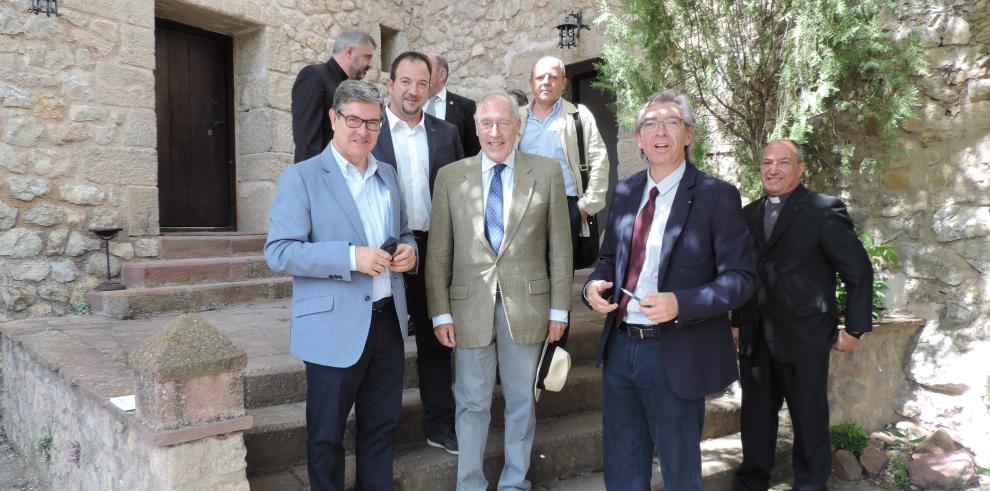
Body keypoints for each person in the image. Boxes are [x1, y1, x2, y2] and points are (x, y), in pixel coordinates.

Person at [583, 90, 758, 490]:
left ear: (689, 134)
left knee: (680, 473)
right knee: (623, 469)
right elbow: (609, 259)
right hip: (621, 347)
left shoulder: (717, 196)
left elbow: (742, 279)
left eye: (670, 122)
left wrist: (681, 302)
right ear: (638, 139)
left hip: (675, 351)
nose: (659, 131)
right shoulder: (626, 192)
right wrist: (594, 286)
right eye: (649, 124)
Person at [265, 80, 417, 491]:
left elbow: (404, 232)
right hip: (332, 328)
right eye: (353, 120)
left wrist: (408, 251)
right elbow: (279, 252)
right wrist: (351, 258)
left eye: (372, 122)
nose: (362, 131)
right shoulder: (302, 177)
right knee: (326, 436)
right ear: (334, 118)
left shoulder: (387, 174)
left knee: (382, 428)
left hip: (387, 322)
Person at [425, 90, 572, 491]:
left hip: (527, 307)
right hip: (469, 309)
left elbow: (560, 247)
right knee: (471, 402)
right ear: (475, 128)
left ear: (518, 126)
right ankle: (470, 484)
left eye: (503, 123)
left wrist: (560, 310)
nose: (494, 132)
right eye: (486, 124)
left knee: (522, 402)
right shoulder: (451, 178)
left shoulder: (546, 172)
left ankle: (514, 482)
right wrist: (440, 312)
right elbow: (438, 252)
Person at [732, 139, 874, 491]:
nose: (773, 169)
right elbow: (744, 274)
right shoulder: (747, 214)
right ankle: (751, 484)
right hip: (755, 337)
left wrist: (854, 329)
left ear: (800, 168)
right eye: (767, 162)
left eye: (783, 162)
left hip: (806, 336)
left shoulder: (824, 210)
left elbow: (858, 271)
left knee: (809, 422)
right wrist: (737, 322)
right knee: (755, 423)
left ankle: (811, 486)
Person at [371, 50, 464, 455]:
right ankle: (379, 433)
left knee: (436, 339)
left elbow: (462, 194)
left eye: (421, 83)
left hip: (435, 247)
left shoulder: (447, 133)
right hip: (383, 249)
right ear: (389, 85)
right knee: (384, 344)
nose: (413, 90)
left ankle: (440, 425)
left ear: (433, 86)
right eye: (405, 82)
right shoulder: (370, 130)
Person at [518, 56, 609, 267]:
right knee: (527, 270)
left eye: (553, 77)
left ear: (564, 83)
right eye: (540, 77)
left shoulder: (579, 116)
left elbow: (599, 161)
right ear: (531, 82)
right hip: (523, 205)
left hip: (567, 206)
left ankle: (558, 302)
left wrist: (585, 208)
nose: (546, 82)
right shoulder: (516, 118)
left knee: (561, 272)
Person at [291, 29, 376, 163]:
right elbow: (307, 141)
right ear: (349, 52)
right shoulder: (313, 76)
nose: (371, 65)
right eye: (367, 57)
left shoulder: (345, 86)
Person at [424, 52, 481, 156]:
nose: (420, 74)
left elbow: (473, 150)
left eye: (426, 69)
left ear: (442, 74)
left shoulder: (466, 107)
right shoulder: (412, 104)